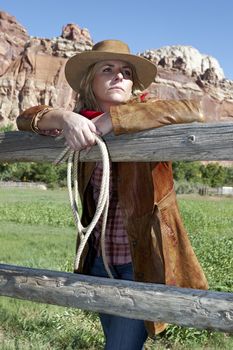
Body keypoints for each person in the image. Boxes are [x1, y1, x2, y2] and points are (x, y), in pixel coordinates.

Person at [17, 39, 208, 350]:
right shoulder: (79, 126)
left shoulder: (149, 113)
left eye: (126, 72)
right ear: (90, 81)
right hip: (99, 257)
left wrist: (113, 120)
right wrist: (66, 118)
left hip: (141, 260)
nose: (120, 76)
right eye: (108, 69)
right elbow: (26, 118)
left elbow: (193, 110)